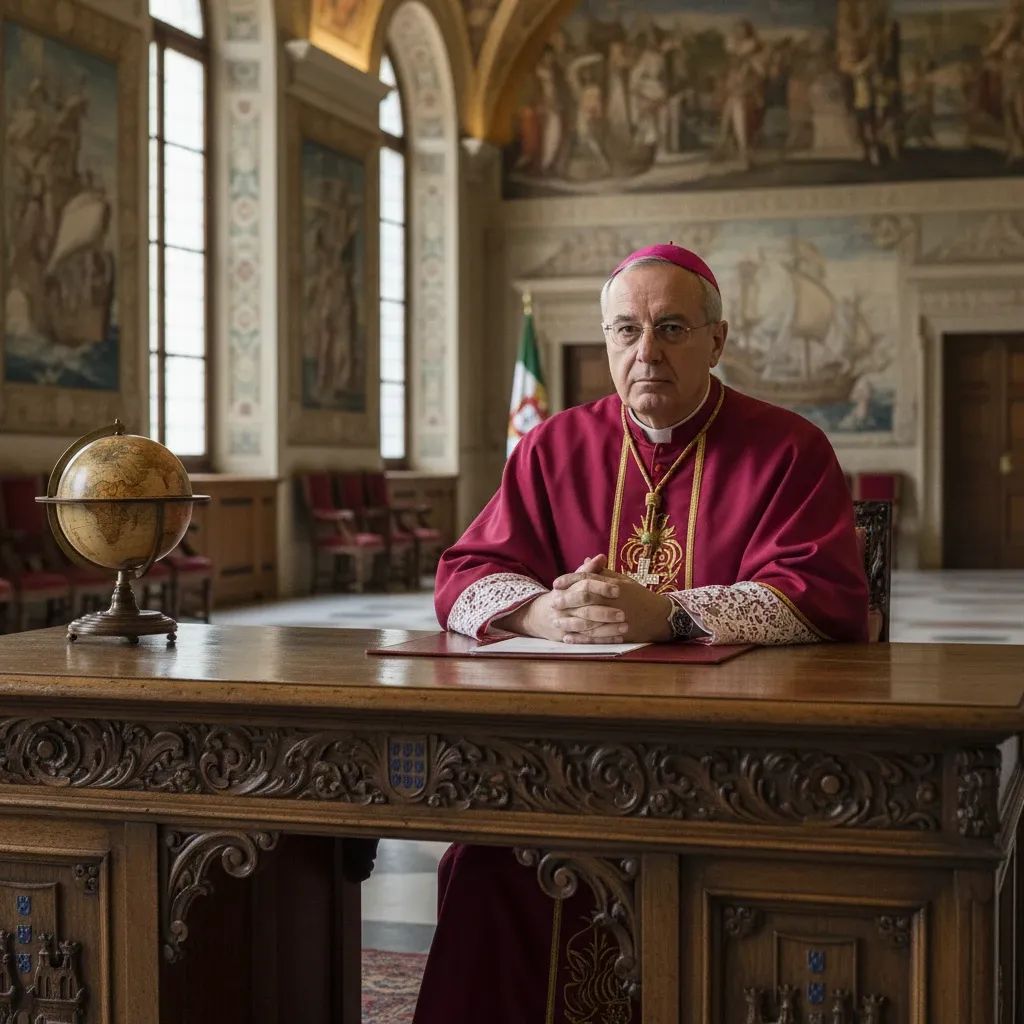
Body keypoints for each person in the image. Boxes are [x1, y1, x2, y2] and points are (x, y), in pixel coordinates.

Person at [415, 244, 869, 1024]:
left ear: (717, 342)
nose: (646, 352)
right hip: (562, 758)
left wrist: (670, 613)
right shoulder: (552, 445)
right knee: (486, 865)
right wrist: (537, 613)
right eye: (626, 332)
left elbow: (823, 596)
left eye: (671, 329)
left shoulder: (790, 449)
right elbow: (466, 571)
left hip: (733, 759)